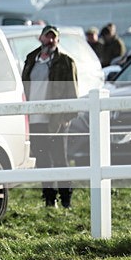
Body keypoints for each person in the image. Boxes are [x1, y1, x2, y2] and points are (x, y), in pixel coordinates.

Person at [21, 25, 78, 209]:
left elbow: (73, 91)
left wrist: (66, 116)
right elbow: (25, 85)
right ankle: (49, 198)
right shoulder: (31, 59)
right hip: (36, 118)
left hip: (56, 119)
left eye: (54, 37)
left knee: (60, 158)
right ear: (41, 38)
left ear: (58, 40)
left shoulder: (66, 62)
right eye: (48, 37)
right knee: (43, 159)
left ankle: (66, 199)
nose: (51, 40)